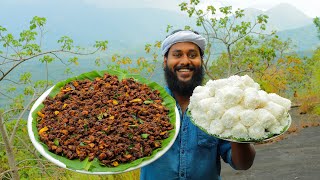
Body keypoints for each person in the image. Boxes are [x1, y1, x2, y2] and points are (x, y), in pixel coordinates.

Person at [140, 30, 256, 180]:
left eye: (192, 55)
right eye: (177, 54)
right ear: (165, 60)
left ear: (201, 61)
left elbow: (242, 164)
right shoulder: (146, 105)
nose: (185, 61)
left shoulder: (217, 105)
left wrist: (237, 124)